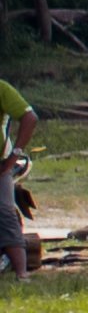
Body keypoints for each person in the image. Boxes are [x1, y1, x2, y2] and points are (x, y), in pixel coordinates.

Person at [0, 74, 35, 276]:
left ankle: (22, 274)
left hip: (1, 164)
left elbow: (30, 118)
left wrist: (14, 156)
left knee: (4, 211)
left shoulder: (2, 89)